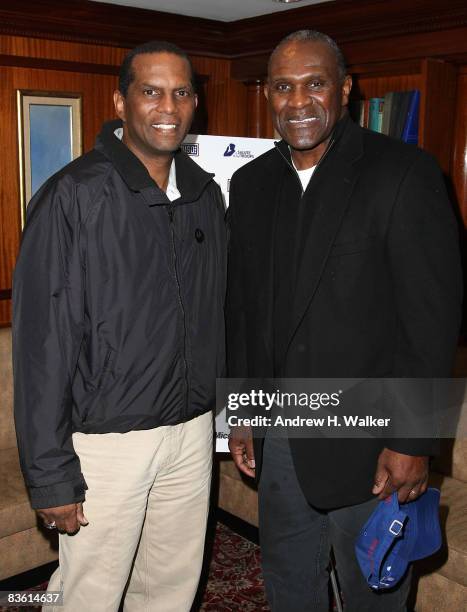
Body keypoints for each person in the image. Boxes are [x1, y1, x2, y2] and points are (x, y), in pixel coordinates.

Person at [226, 30, 462, 611]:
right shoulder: (249, 184)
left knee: (372, 593)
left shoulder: (404, 173)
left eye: (315, 83)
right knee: (288, 586)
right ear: (267, 96)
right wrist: (241, 413)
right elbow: (243, 311)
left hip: (370, 442)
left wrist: (411, 442)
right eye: (283, 86)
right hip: (280, 433)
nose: (298, 101)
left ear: (346, 89)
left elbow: (431, 322)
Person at [13, 40, 226, 612]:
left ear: (195, 103)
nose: (168, 107)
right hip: (106, 443)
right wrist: (51, 476)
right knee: (88, 596)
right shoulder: (74, 197)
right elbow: (41, 349)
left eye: (181, 93)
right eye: (151, 91)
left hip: (190, 431)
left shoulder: (205, 195)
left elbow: (219, 315)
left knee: (169, 591)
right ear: (121, 101)